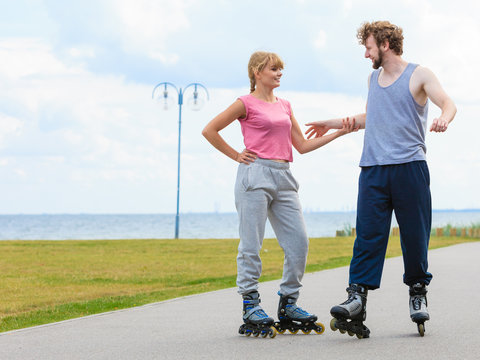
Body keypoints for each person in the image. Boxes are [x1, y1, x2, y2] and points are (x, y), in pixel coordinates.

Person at [305, 21, 457, 338]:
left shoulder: (420, 75)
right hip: (373, 169)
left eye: (369, 47)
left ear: (385, 44)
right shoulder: (373, 78)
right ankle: (356, 297)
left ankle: (417, 292)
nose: (366, 54)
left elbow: (447, 102)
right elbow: (369, 117)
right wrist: (331, 123)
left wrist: (443, 116)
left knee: (415, 235)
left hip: (409, 167)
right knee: (368, 237)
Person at [202, 51, 357, 337]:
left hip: (284, 176)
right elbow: (209, 130)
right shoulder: (244, 103)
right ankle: (250, 303)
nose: (279, 73)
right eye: (274, 69)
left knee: (299, 243)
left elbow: (302, 145)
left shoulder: (285, 105)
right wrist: (236, 155)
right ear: (257, 72)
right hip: (255, 175)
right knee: (252, 244)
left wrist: (338, 134)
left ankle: (288, 304)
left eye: (281, 69)